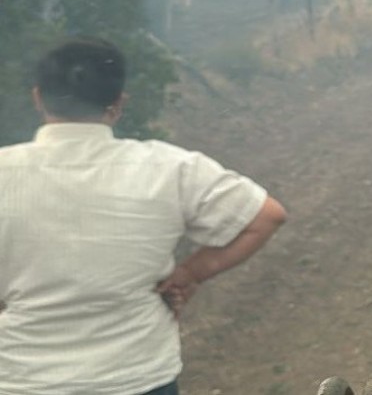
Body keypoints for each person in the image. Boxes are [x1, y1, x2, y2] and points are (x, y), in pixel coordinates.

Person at [0, 38, 287, 395]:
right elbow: (266, 216)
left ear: (38, 97)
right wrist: (190, 274)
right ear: (118, 105)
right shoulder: (167, 167)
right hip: (137, 376)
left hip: (24, 380)